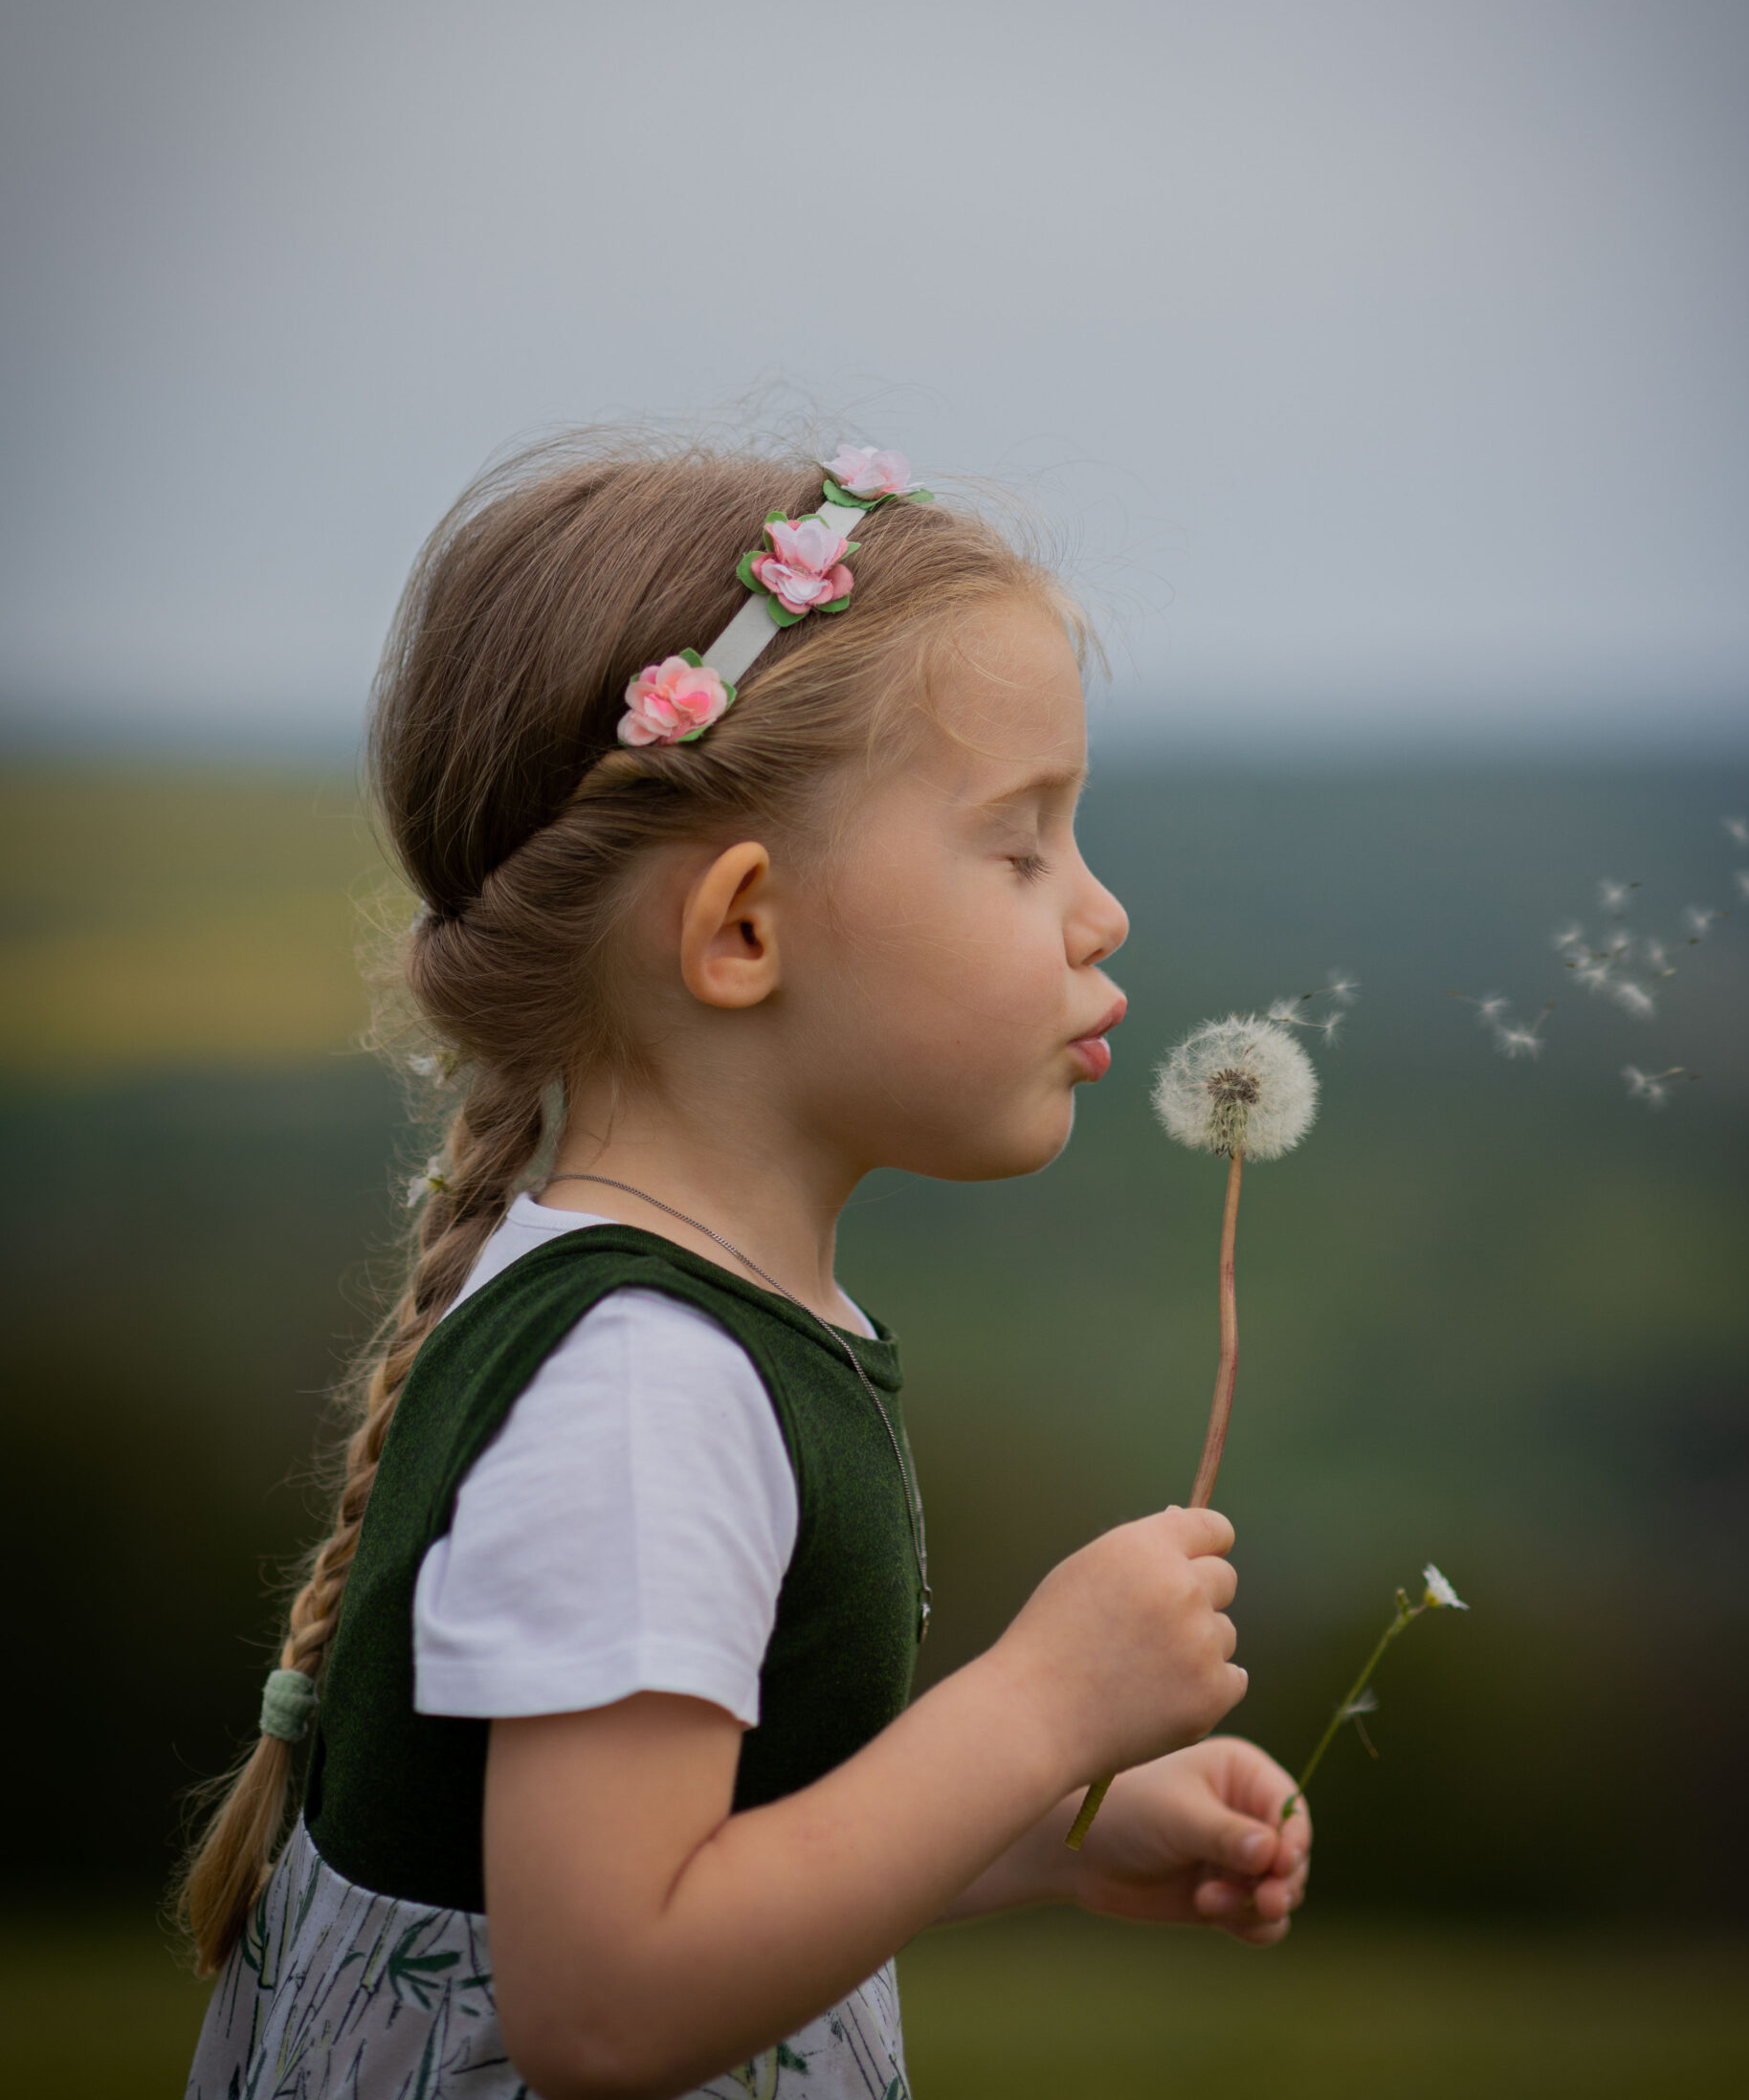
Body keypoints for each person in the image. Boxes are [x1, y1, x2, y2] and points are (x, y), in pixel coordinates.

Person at [180, 433, 1312, 2100]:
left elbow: (721, 1858)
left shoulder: (684, 1330)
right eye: (1021, 847)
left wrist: (1047, 1833)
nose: (1100, 912)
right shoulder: (649, 1393)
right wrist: (1034, 1714)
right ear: (742, 932)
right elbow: (609, 2000)